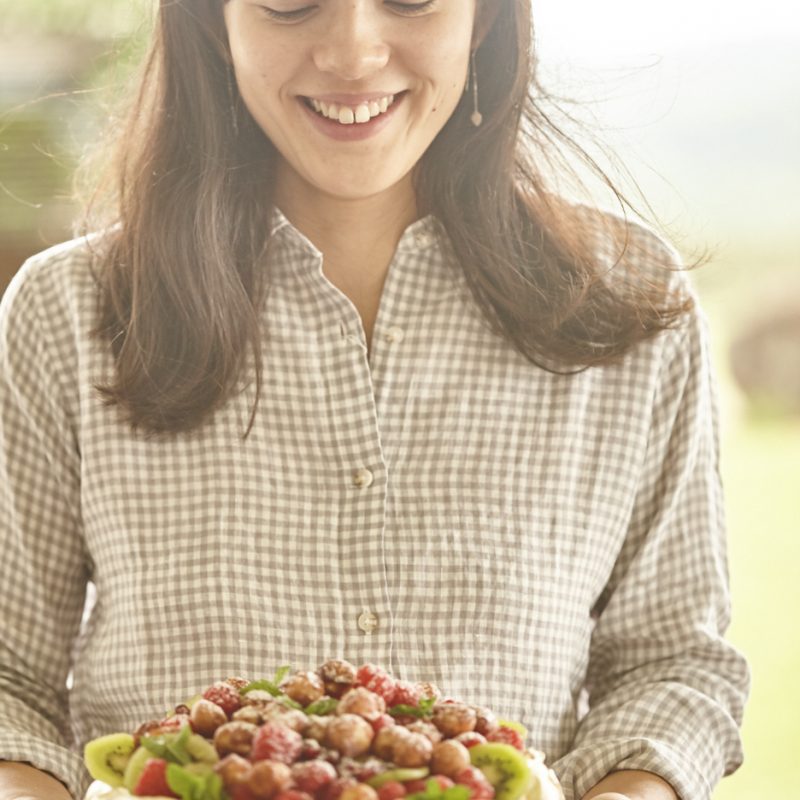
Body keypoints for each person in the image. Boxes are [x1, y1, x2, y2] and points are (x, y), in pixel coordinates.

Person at [0, 1, 750, 799]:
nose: (354, 52)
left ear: (486, 19)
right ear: (213, 23)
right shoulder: (67, 310)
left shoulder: (629, 301)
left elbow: (672, 666)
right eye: (291, 1)